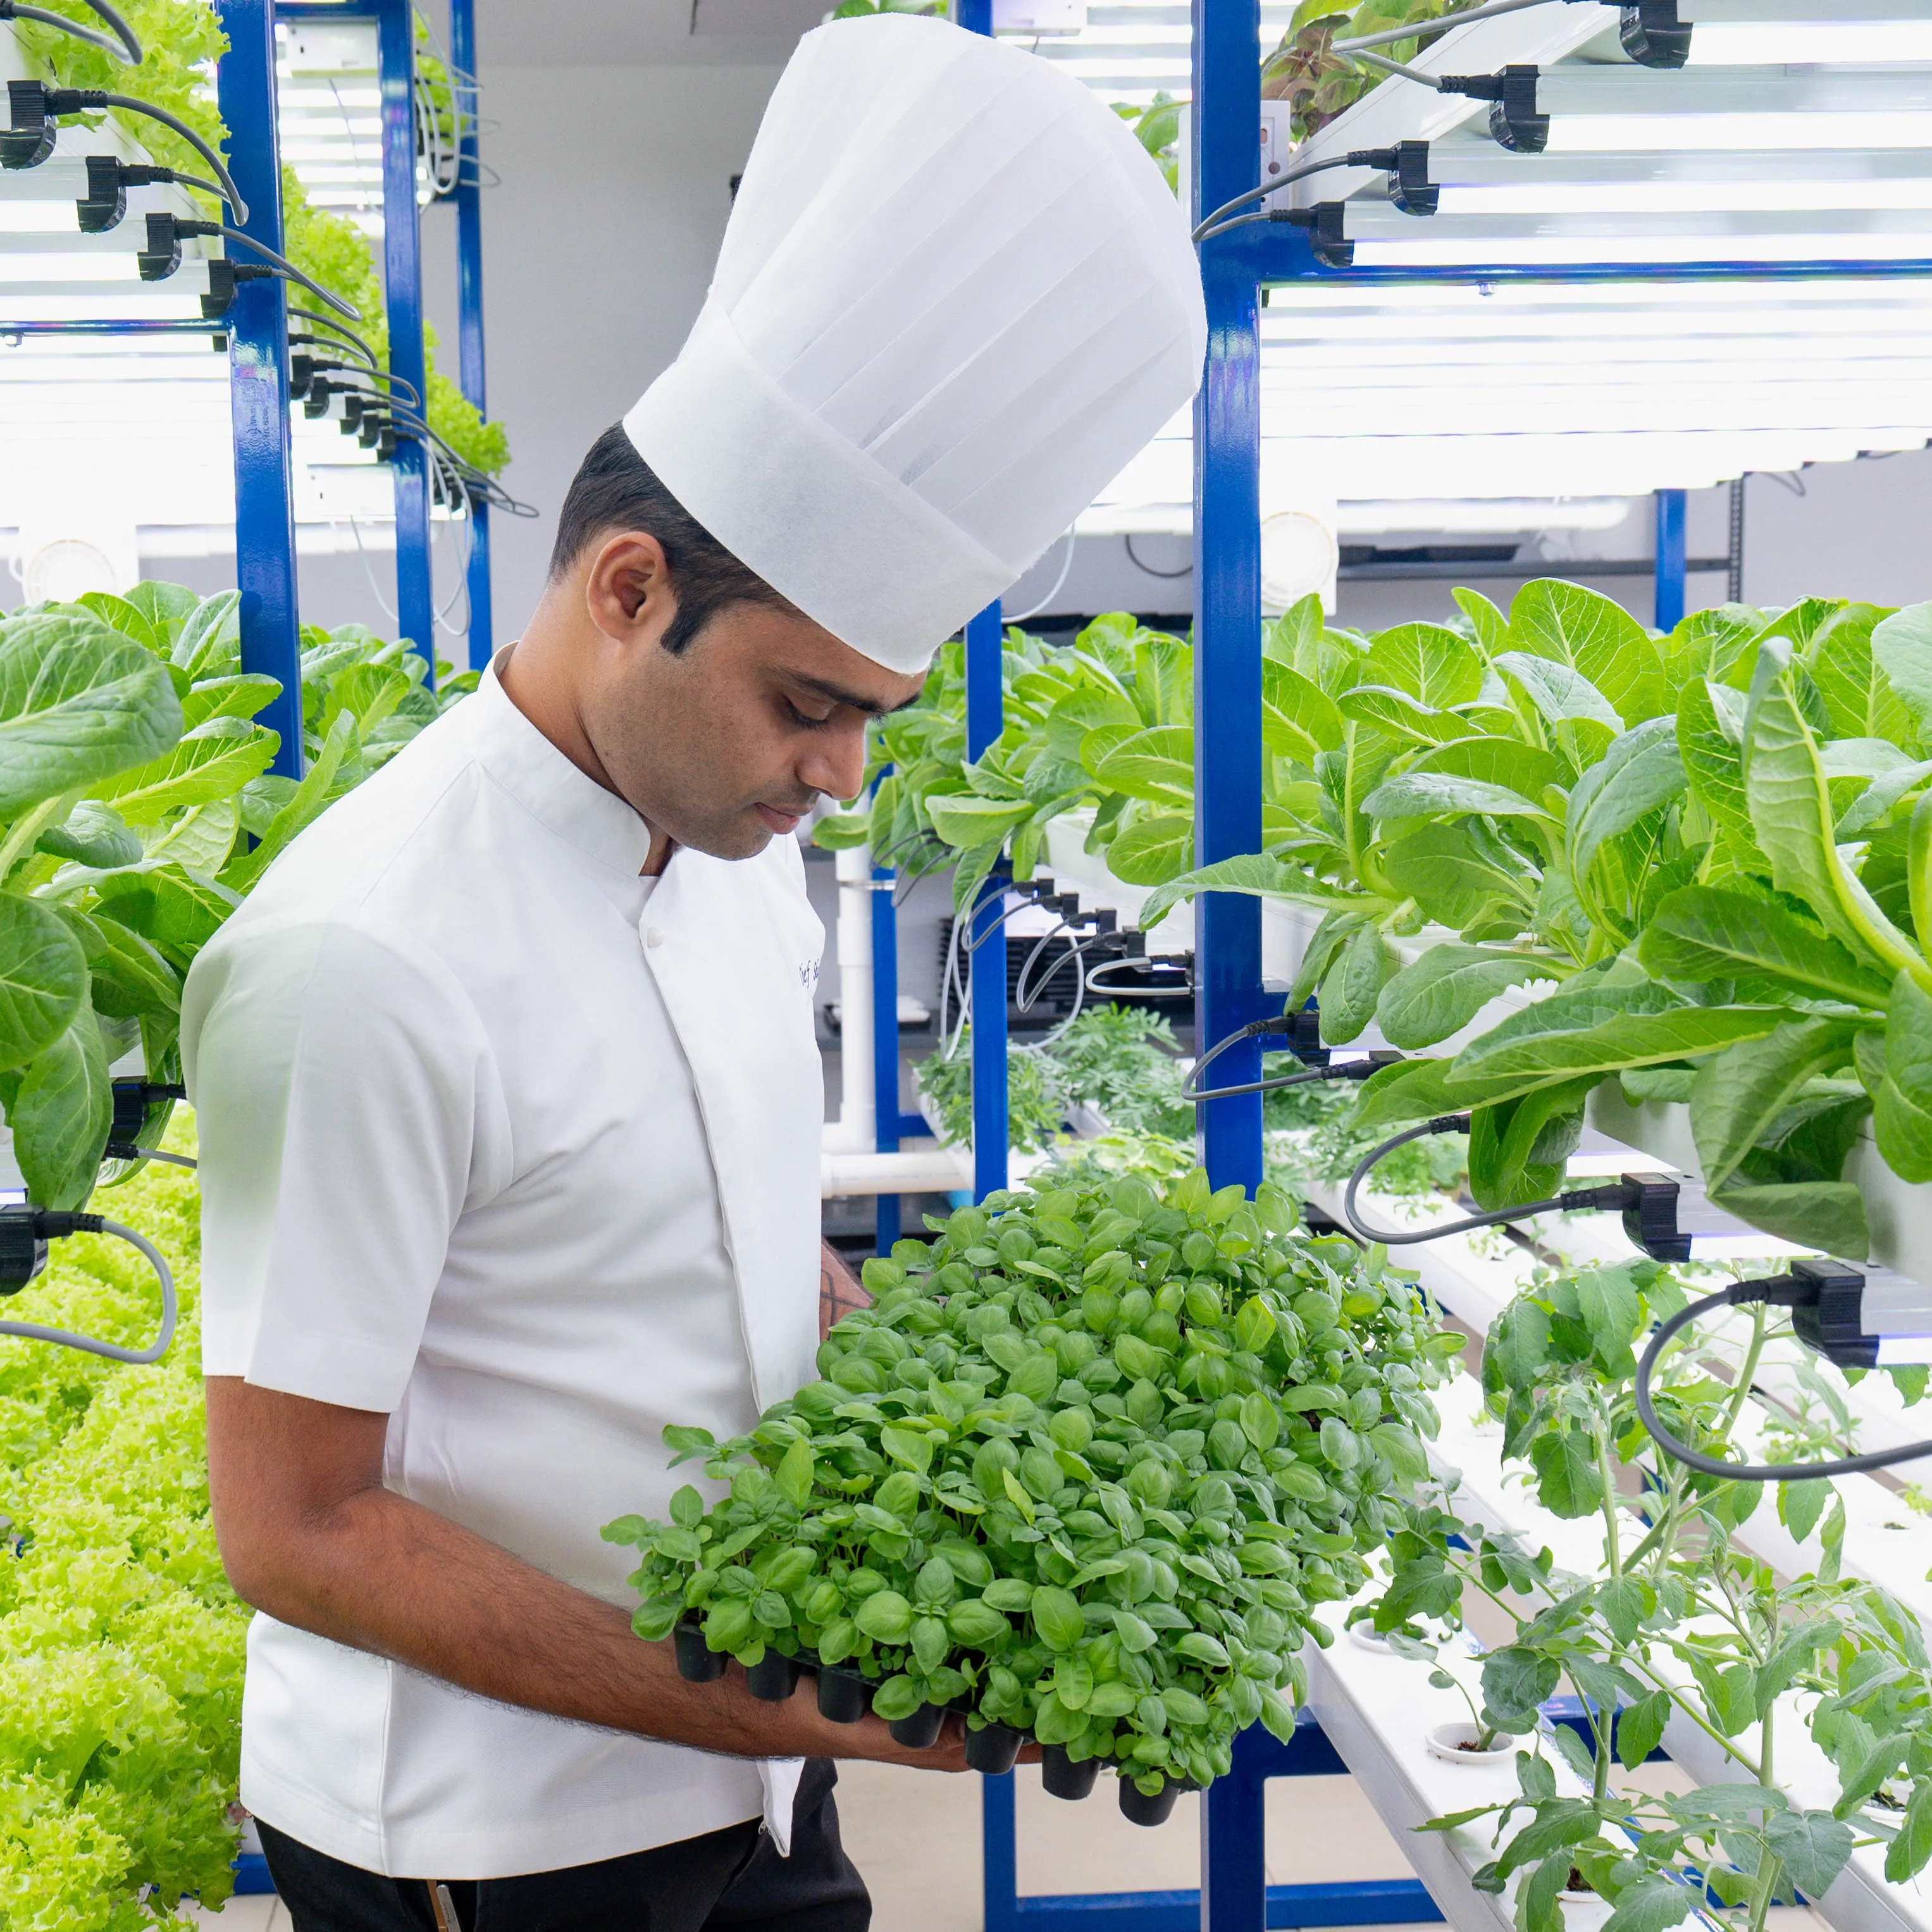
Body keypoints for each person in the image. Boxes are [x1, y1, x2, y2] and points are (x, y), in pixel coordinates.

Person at [185, 12, 1204, 1930]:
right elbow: (295, 1530)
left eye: (872, 714)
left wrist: (931, 1418)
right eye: (808, 703)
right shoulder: (357, 960)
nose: (842, 775)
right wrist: (806, 1700)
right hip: (495, 1844)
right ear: (629, 590)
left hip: (751, 1779)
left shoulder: (731, 849)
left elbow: (714, 1206)